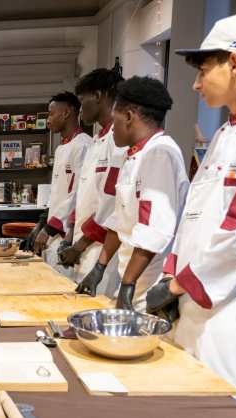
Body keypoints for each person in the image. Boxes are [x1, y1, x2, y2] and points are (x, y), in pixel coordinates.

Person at [145, 13, 236, 415]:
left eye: (203, 71)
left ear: (235, 62)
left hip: (230, 314)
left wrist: (178, 285)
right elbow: (194, 216)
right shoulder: (224, 133)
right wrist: (171, 274)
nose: (196, 84)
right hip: (191, 302)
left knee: (219, 409)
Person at [75, 76, 188, 311]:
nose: (112, 128)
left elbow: (152, 229)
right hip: (134, 279)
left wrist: (128, 284)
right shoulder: (134, 155)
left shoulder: (159, 154)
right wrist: (99, 267)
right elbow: (120, 219)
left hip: (152, 287)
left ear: (128, 116)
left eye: (114, 119)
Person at [57, 68, 125, 298]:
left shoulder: (119, 139)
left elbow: (113, 206)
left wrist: (79, 245)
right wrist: (70, 239)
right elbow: (83, 196)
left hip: (104, 251)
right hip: (84, 248)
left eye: (82, 100)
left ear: (98, 96)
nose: (80, 108)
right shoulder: (97, 141)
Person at [33, 92, 90, 277]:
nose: (48, 120)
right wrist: (42, 223)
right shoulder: (60, 149)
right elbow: (58, 194)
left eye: (51, 114)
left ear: (66, 113)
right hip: (53, 231)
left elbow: (78, 195)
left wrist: (49, 229)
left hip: (67, 233)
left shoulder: (84, 145)